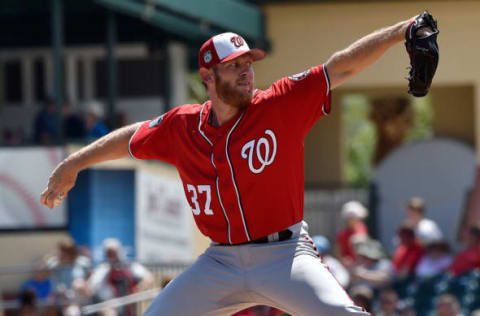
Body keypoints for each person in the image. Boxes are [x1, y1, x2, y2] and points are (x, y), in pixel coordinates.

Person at [41, 14, 424, 315]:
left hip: (284, 255)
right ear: (207, 76)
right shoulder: (182, 125)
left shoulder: (279, 104)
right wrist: (73, 164)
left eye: (248, 62)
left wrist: (402, 30)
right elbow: (131, 137)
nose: (246, 71)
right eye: (233, 65)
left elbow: (340, 67)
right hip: (219, 260)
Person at [88, 238, 153, 316]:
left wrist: (139, 289)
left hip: (130, 304)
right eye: (109, 253)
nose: (112, 257)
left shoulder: (130, 266)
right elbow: (92, 287)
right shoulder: (102, 270)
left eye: (113, 253)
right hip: (109, 305)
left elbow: (148, 277)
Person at [336, 200, 369, 266]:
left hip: (362, 264)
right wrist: (344, 259)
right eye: (350, 218)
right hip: (350, 266)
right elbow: (339, 252)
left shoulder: (361, 228)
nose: (352, 220)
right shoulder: (343, 234)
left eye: (354, 217)